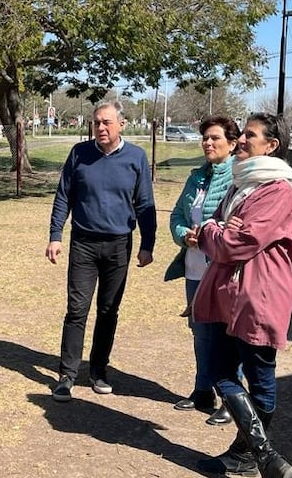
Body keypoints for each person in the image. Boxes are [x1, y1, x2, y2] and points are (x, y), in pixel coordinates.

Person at [193, 113, 292, 478]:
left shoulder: (278, 190)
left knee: (259, 378)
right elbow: (217, 225)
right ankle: (258, 455)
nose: (241, 140)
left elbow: (236, 242)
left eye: (250, 135)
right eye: (242, 134)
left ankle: (252, 455)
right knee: (218, 370)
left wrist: (214, 232)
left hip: (259, 297)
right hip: (229, 293)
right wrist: (217, 229)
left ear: (272, 145)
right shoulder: (242, 184)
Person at [46, 101, 156, 402]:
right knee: (76, 310)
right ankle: (67, 375)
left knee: (108, 311)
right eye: (96, 122)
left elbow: (145, 203)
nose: (101, 127)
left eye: (107, 122)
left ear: (122, 124)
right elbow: (63, 196)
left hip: (119, 245)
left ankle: (98, 370)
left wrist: (148, 244)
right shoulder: (79, 153)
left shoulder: (136, 157)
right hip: (83, 243)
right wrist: (55, 235)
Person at [164, 115, 239, 426]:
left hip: (220, 270)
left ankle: (232, 399)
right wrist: (185, 235)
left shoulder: (238, 177)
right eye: (205, 138)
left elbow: (237, 224)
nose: (208, 143)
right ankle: (203, 390)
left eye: (215, 138)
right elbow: (177, 216)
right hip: (194, 268)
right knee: (200, 332)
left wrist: (209, 235)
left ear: (232, 144)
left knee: (225, 334)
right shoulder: (196, 177)